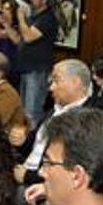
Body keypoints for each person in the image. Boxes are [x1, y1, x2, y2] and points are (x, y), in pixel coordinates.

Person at [14, 59, 92, 187]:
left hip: (41, 183)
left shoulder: (87, 120)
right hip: (24, 168)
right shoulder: (53, 110)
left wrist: (28, 176)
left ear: (76, 82)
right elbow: (33, 145)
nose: (51, 88)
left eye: (56, 81)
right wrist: (22, 140)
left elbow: (66, 171)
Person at [7, 0, 58, 127]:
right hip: (26, 68)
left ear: (45, 1)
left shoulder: (47, 19)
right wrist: (6, 25)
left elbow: (28, 37)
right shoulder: (34, 17)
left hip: (37, 70)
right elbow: (19, 40)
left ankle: (33, 142)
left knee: (32, 111)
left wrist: (21, 18)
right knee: (23, 110)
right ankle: (24, 140)